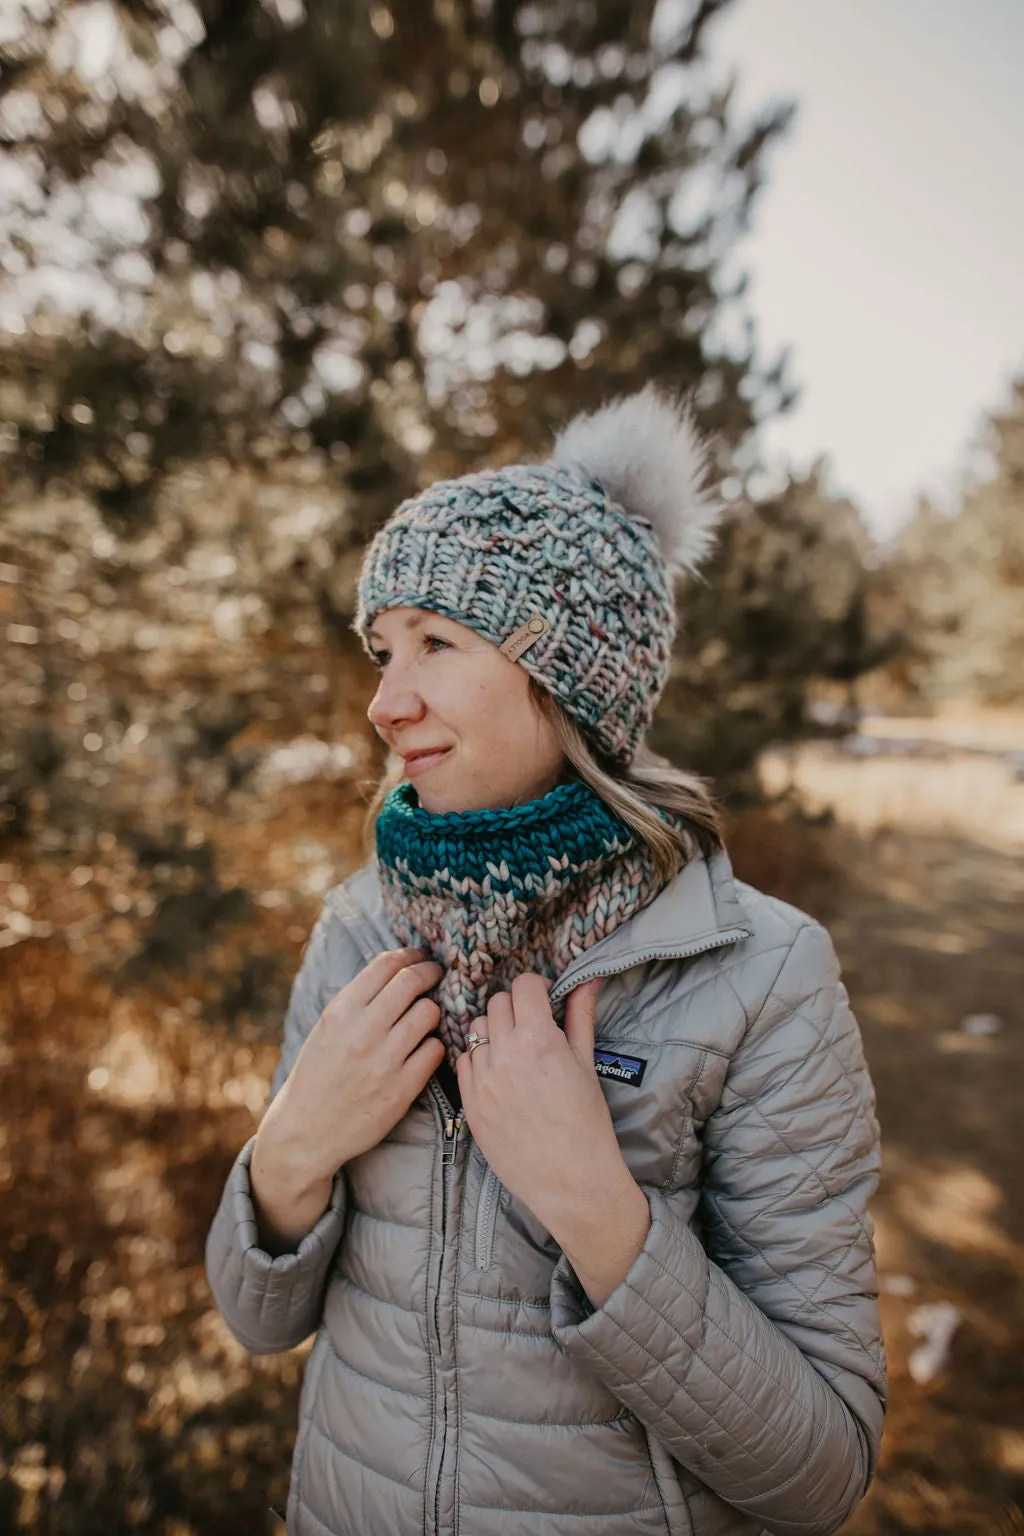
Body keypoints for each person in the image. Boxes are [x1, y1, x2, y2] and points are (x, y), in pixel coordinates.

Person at [205, 384, 887, 1536]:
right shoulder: (362, 928)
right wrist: (289, 1154)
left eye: (435, 642)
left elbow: (819, 1471)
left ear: (569, 674)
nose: (384, 700)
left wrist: (597, 1210)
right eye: (381, 649)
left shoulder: (759, 975)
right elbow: (259, 1323)